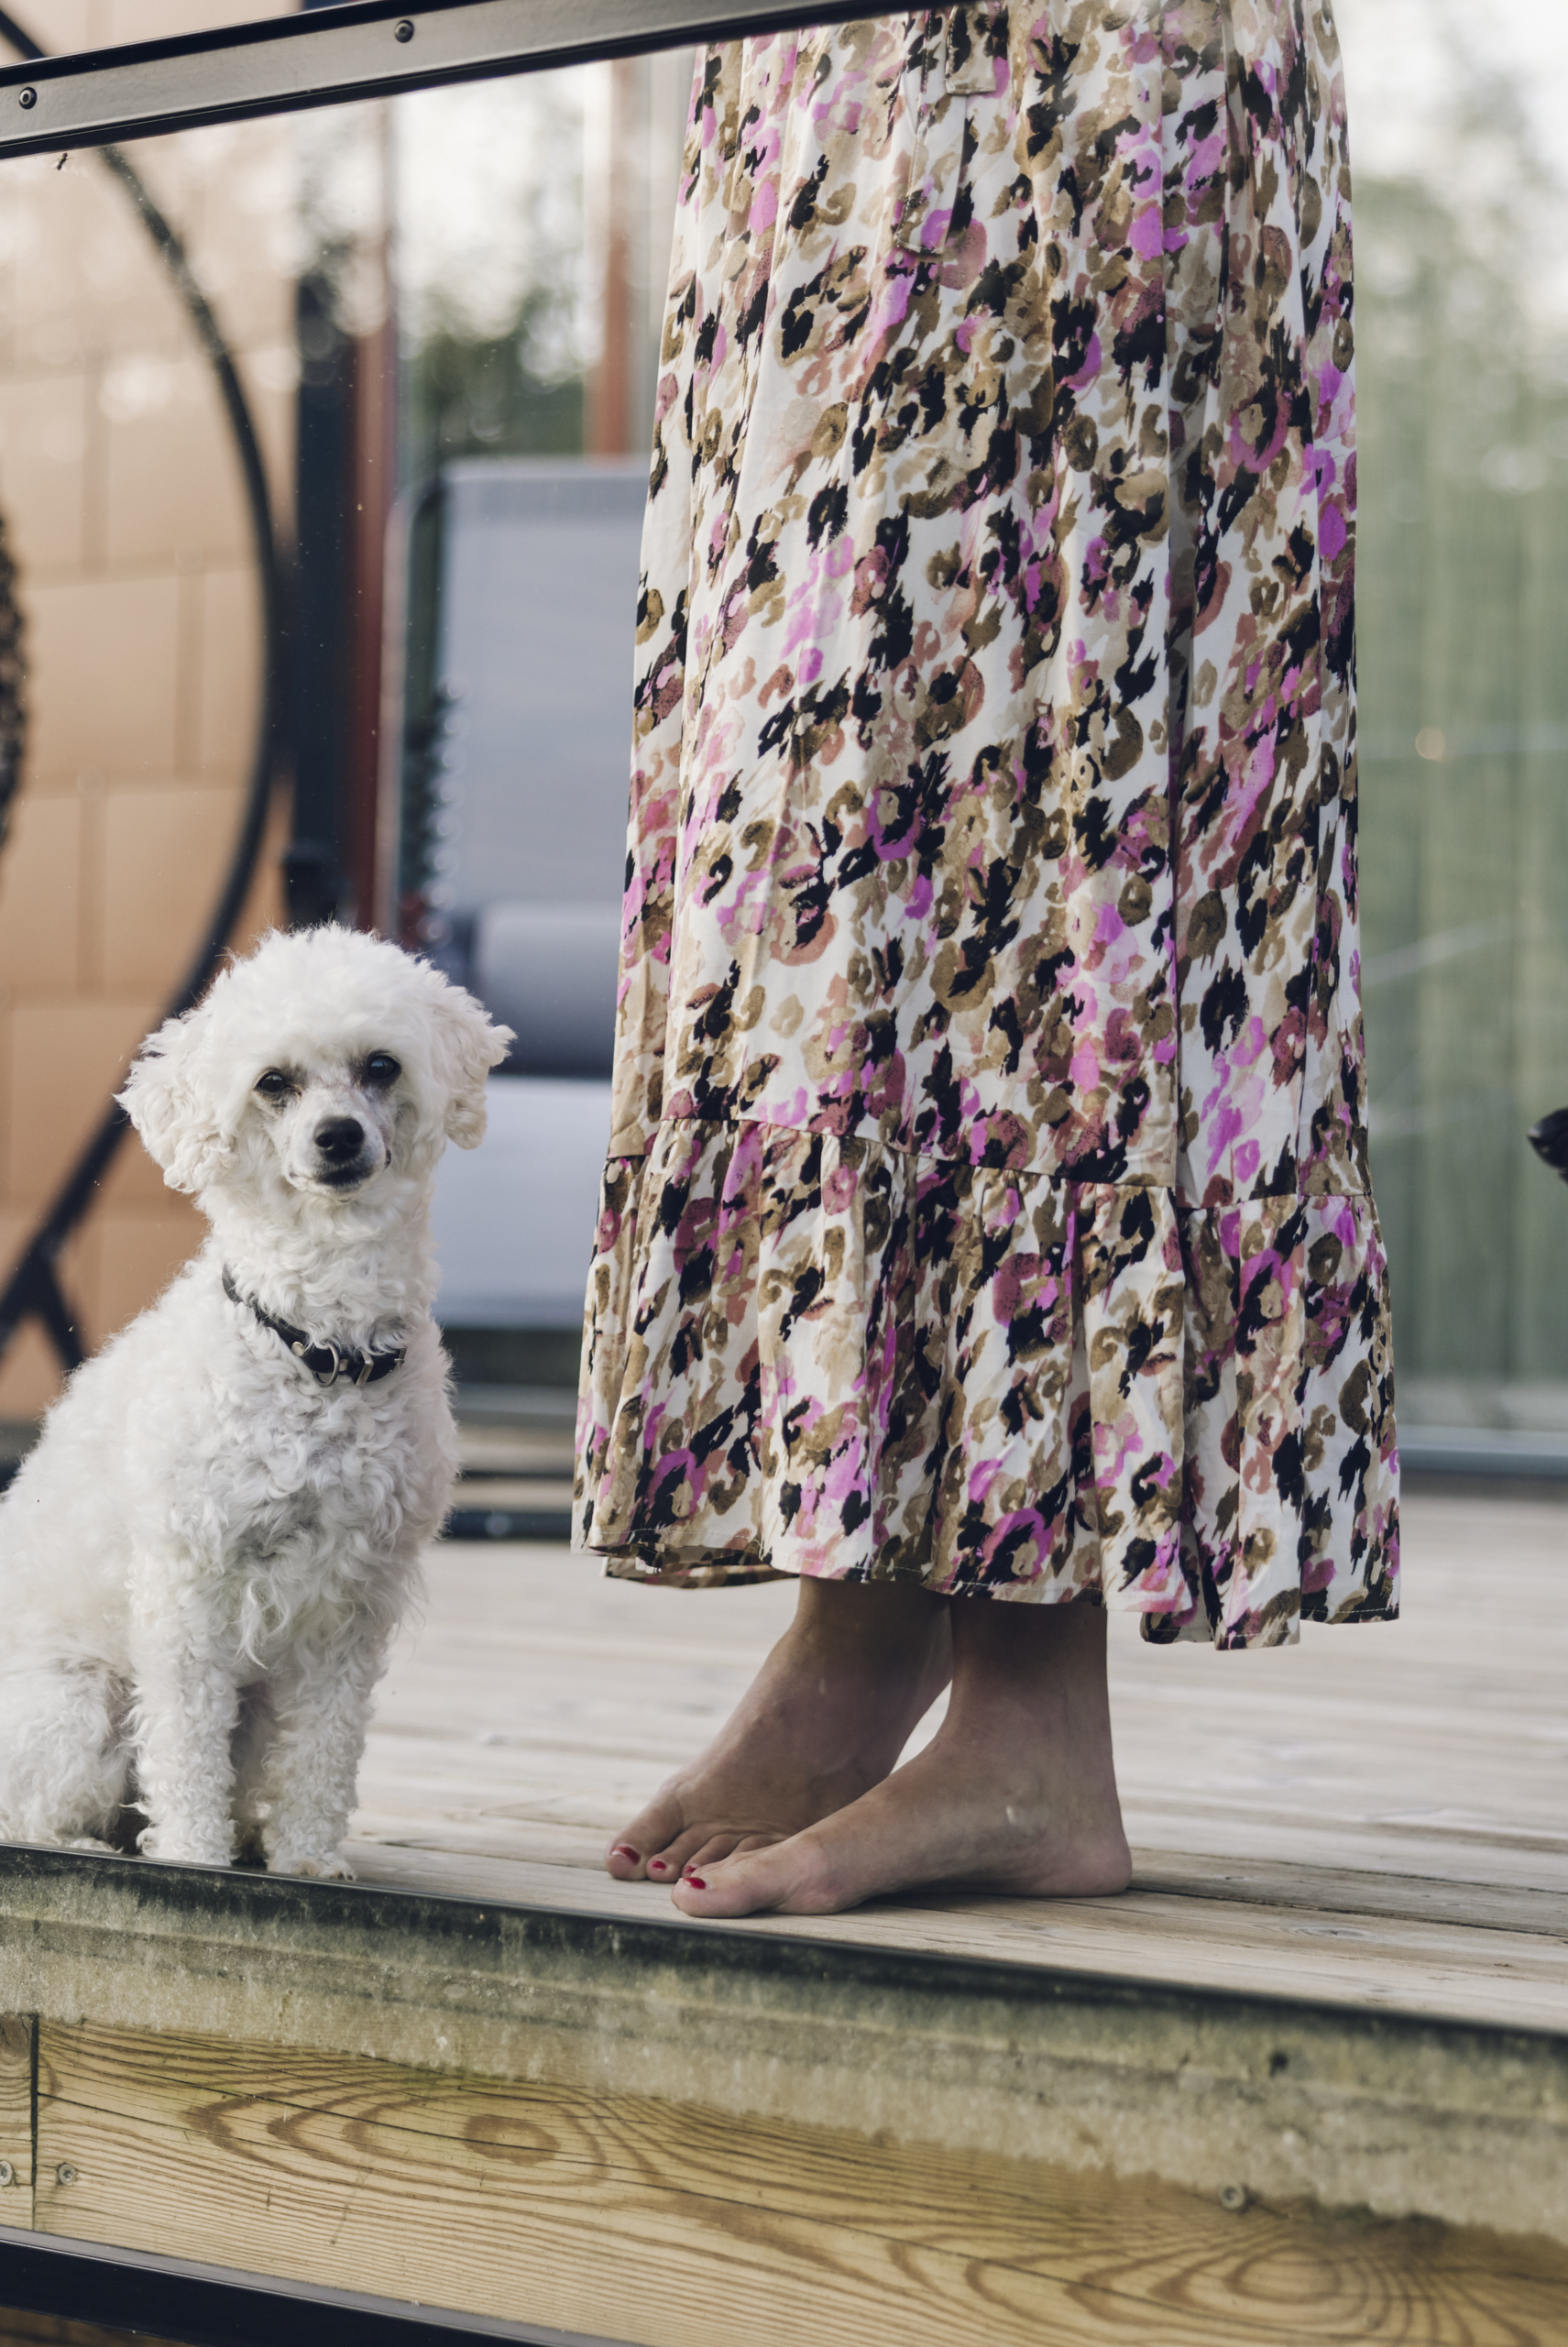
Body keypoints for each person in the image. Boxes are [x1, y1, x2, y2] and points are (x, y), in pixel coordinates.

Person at [581, 0, 1395, 1919]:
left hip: (1076, 65)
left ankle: (1030, 1718)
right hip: (824, 92)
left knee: (1038, 818)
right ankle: (856, 1619)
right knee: (825, 822)